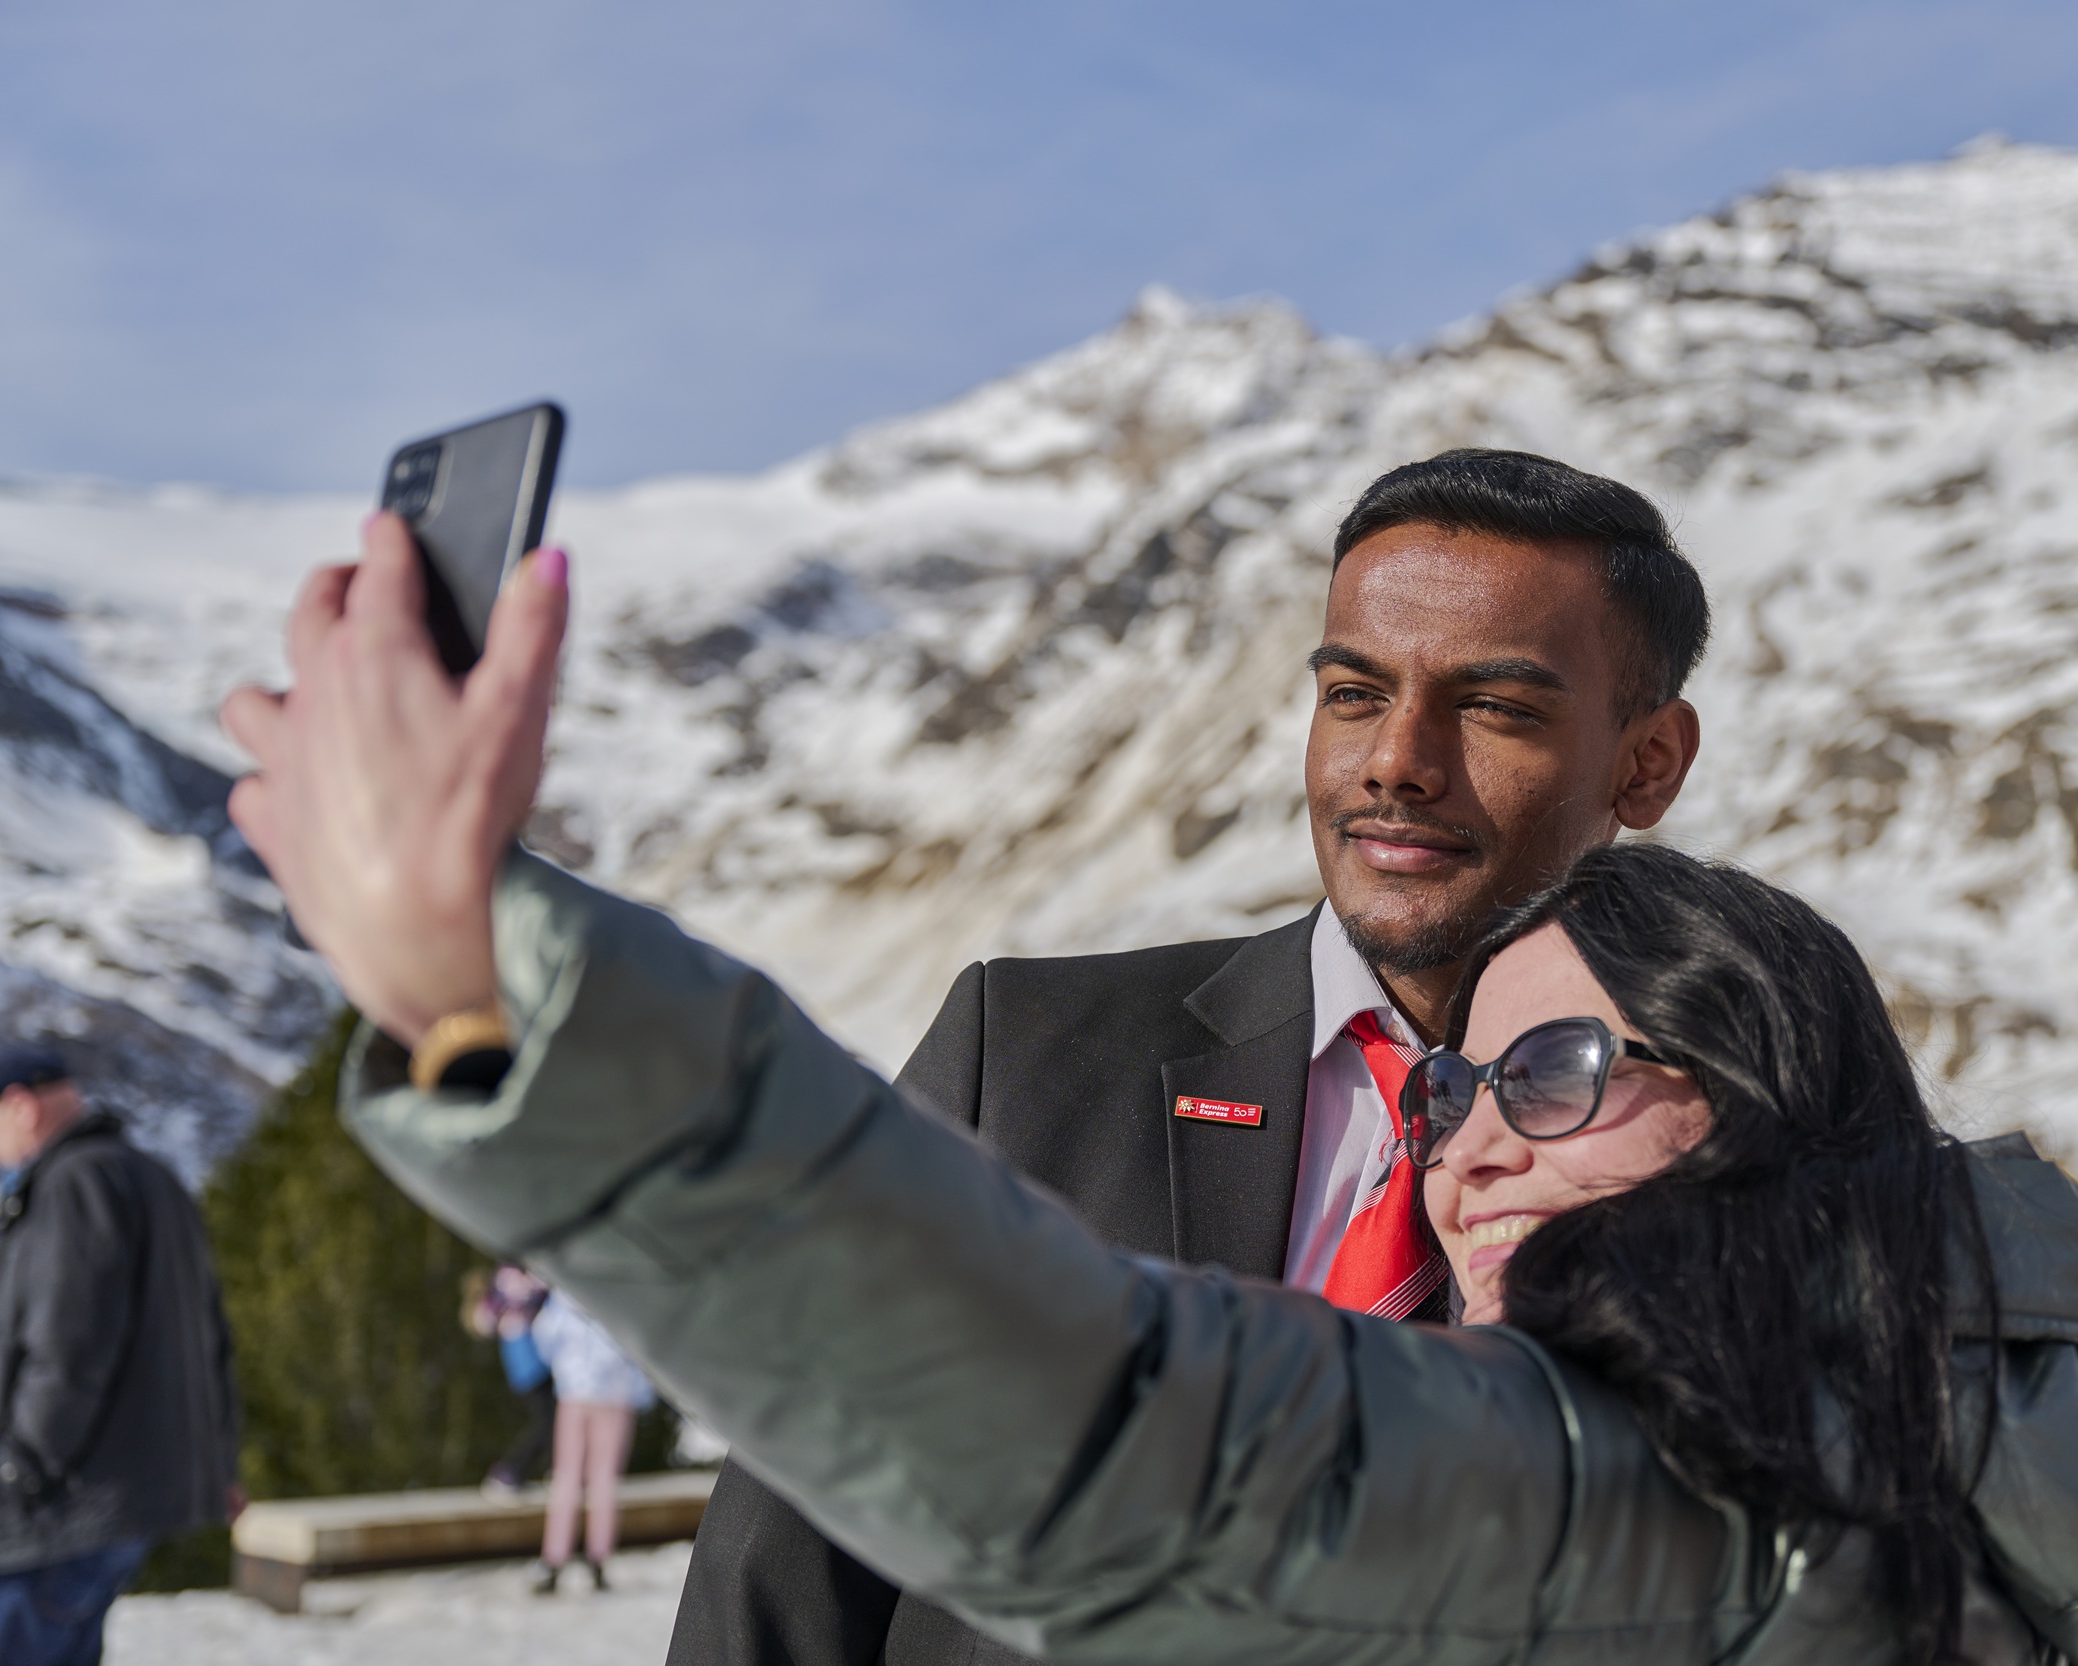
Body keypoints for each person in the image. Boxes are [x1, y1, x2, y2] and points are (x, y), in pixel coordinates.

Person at [218, 506, 2078, 1662]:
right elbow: (790, 1564)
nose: (1468, 1141)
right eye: (1449, 1091)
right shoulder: (2041, 1438)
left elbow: (1104, 1428)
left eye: (1551, 1069)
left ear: (1761, 1099)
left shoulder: (1683, 1483)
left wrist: (485, 984)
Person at [658, 448, 1708, 1663]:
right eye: (1353, 693)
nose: (1395, 760)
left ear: (1648, 761)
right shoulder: (1028, 1059)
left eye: (1493, 708)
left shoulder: (1724, 1136)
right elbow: (782, 1559)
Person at [0, 1046, 239, 1666]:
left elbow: (70, 1343)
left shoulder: (74, 1185)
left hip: (52, 1514)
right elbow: (210, 1340)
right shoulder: (149, 1178)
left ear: (20, 1106)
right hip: (102, 1504)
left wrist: (19, 1468)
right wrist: (221, 1460)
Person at [529, 1288, 656, 1593]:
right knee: (590, 1478)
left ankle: (568, 1558)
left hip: (588, 1393)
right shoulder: (615, 1291)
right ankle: (582, 1558)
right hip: (603, 1394)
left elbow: (546, 1335)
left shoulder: (569, 1290)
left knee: (582, 1478)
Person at [467, 1261, 556, 1499]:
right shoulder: (508, 1282)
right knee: (548, 1421)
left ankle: (555, 1470)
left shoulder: (505, 1285)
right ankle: (510, 1470)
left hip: (531, 1360)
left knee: (552, 1420)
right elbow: (483, 1321)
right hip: (529, 1362)